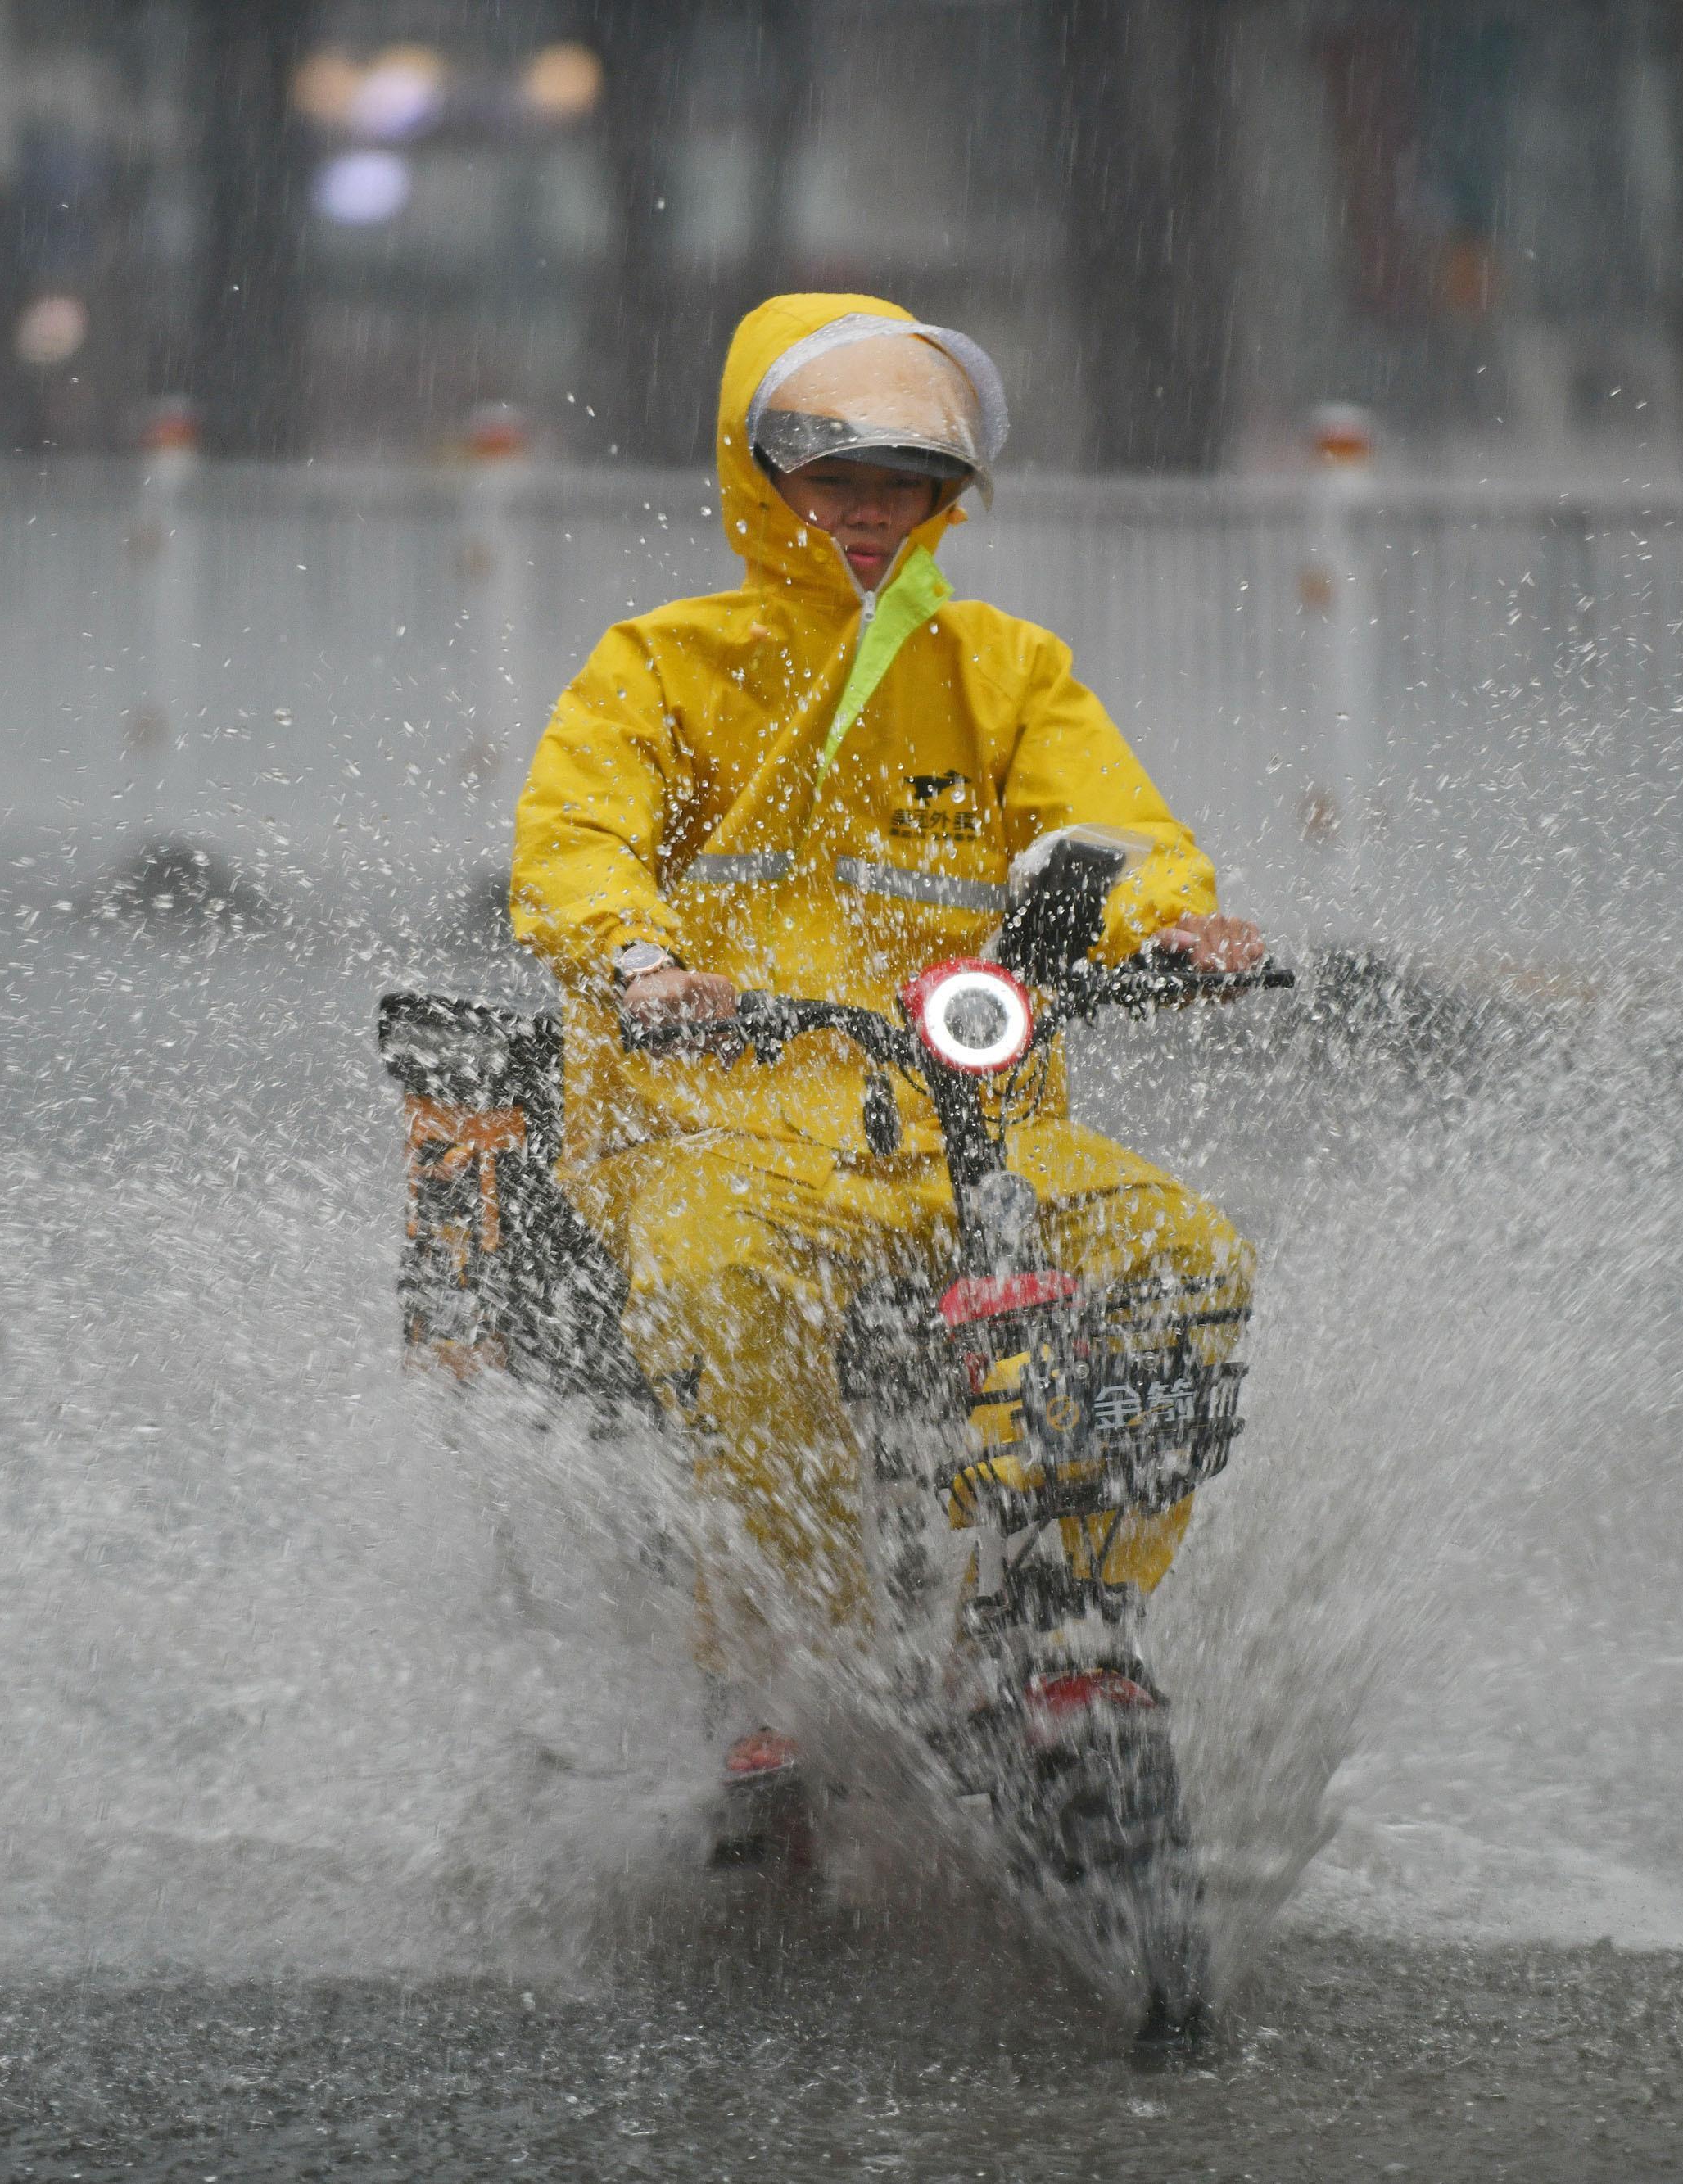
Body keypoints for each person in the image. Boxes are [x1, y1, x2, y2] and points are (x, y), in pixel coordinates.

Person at [509, 292, 1261, 1820]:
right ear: (758, 479)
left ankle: (1061, 1624)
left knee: (1185, 1261)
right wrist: (647, 966)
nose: (866, 516)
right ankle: (790, 1647)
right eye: (833, 482)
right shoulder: (657, 666)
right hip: (713, 1138)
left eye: (899, 488)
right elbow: (576, 847)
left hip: (968, 1132)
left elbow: (1112, 836)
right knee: (725, 1283)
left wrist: (1179, 929)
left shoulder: (1006, 669)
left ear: (942, 505)